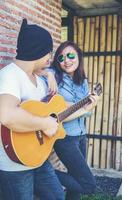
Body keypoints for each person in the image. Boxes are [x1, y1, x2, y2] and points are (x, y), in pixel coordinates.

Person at [0, 19, 65, 200]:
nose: (49, 59)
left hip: (38, 158)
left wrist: (47, 73)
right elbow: (7, 115)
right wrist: (45, 123)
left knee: (57, 196)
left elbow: (46, 111)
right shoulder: (9, 76)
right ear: (38, 51)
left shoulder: (39, 79)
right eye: (48, 53)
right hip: (15, 167)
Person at [42, 41, 100, 200]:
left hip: (81, 134)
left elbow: (85, 113)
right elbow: (35, 69)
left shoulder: (83, 81)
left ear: (78, 56)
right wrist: (48, 74)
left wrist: (90, 106)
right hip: (64, 138)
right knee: (88, 185)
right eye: (61, 58)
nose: (66, 60)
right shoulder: (54, 75)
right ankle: (40, 174)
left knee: (76, 184)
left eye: (71, 55)